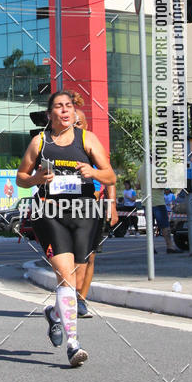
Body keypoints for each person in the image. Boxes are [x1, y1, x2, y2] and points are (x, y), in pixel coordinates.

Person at [16, 90, 115, 367]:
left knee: (78, 275)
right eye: (59, 107)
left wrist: (94, 173)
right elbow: (21, 177)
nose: (65, 110)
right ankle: (73, 344)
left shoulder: (87, 139)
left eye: (68, 106)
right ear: (50, 114)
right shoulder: (40, 142)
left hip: (85, 213)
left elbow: (110, 175)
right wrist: (36, 178)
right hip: (50, 213)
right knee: (66, 276)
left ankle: (55, 314)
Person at [72, 108, 119, 318]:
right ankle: (67, 297)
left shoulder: (92, 146)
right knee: (69, 257)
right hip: (66, 208)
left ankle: (80, 300)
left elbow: (109, 177)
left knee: (89, 257)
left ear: (86, 126)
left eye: (78, 123)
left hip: (92, 208)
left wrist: (112, 205)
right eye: (72, 123)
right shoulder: (59, 147)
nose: (74, 127)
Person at [137, 162, 179, 254]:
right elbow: (162, 186)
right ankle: (170, 247)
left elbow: (138, 186)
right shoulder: (157, 170)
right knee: (165, 226)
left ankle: (151, 248)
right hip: (158, 202)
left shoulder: (140, 170)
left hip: (146, 202)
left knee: (149, 227)